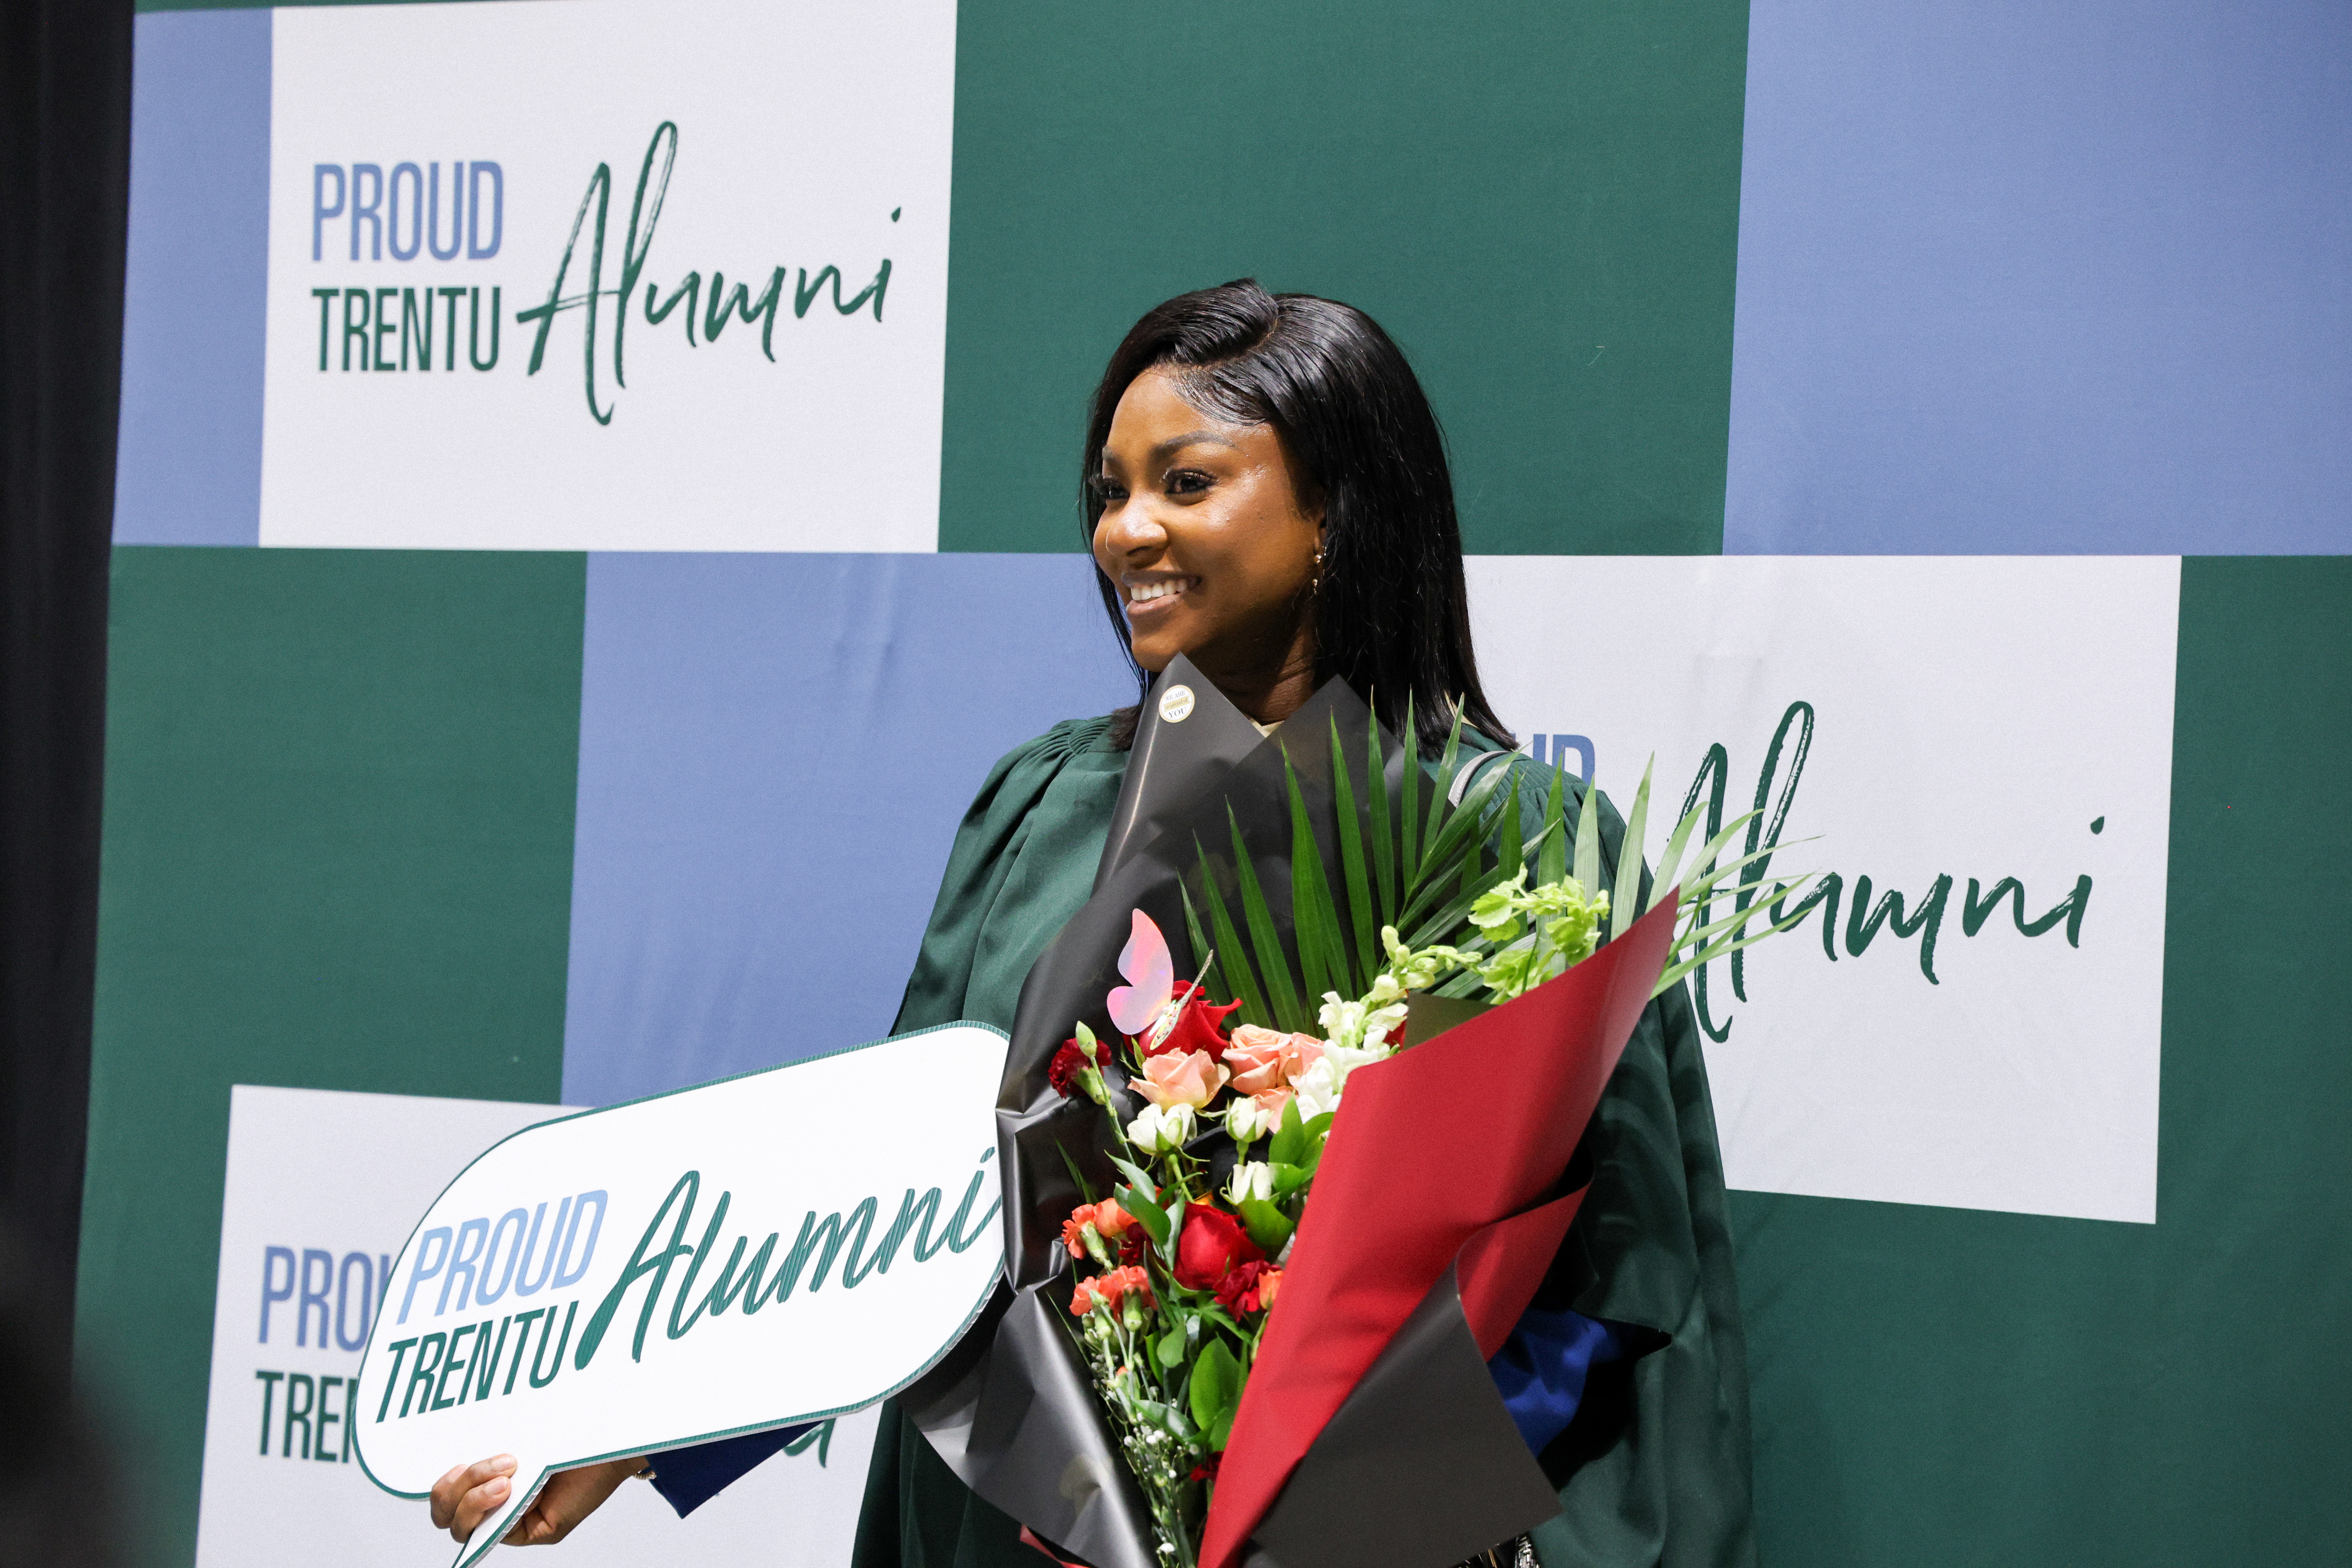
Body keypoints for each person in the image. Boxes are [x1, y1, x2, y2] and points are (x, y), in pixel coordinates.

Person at [428, 279, 1756, 1566]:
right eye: (1109, 493)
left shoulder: (1517, 845)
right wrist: (649, 1434)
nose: (1126, 530)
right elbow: (892, 1211)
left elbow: (1610, 1294)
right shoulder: (1048, 808)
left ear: (1336, 514)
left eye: (1186, 482)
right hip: (1002, 1517)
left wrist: (1329, 1515)